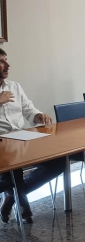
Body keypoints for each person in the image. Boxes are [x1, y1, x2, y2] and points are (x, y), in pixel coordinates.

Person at [0, 48, 65, 223]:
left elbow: (28, 109)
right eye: (1, 61)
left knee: (58, 162)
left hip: (21, 138)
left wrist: (37, 116)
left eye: (6, 59)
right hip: (1, 144)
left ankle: (12, 196)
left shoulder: (14, 86)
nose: (7, 65)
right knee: (13, 168)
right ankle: (23, 204)